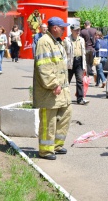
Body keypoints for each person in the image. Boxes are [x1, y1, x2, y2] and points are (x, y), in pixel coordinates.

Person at [33, 17, 72, 160]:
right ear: (55, 28)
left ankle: (56, 146)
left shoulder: (56, 42)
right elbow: (44, 67)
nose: (64, 29)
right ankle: (46, 150)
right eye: (62, 27)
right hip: (50, 91)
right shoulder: (44, 42)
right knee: (48, 121)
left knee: (65, 116)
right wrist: (54, 84)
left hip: (62, 90)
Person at [64, 22, 89, 105]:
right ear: (71, 30)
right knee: (66, 81)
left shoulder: (81, 40)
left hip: (79, 61)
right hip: (70, 62)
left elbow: (84, 53)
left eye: (78, 30)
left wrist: (84, 65)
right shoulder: (66, 40)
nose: (77, 32)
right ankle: (64, 98)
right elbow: (63, 53)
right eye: (76, 30)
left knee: (80, 81)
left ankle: (80, 98)